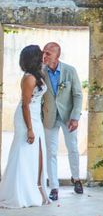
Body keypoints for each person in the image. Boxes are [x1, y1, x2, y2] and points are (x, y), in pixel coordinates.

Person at [0, 45, 50, 208]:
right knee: (23, 153)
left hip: (35, 118)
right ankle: (20, 193)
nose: (43, 56)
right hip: (26, 119)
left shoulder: (38, 74)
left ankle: (38, 188)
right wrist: (29, 129)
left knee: (39, 152)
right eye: (40, 54)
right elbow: (25, 105)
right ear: (34, 57)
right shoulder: (29, 78)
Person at [42, 42, 84, 200]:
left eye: (48, 53)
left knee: (72, 148)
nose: (45, 56)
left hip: (68, 118)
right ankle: (54, 187)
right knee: (51, 152)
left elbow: (78, 95)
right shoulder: (41, 71)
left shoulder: (70, 70)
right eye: (43, 52)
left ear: (57, 56)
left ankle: (77, 179)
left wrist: (75, 117)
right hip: (49, 117)